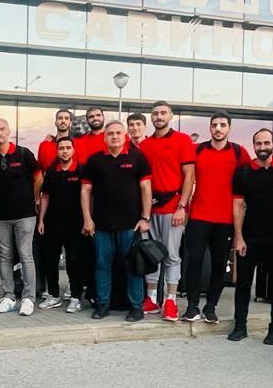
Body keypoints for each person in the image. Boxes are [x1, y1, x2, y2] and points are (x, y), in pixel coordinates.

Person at [182, 111, 251, 323]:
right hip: (198, 216)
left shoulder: (239, 152)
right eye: (214, 125)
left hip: (225, 220)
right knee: (193, 261)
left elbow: (255, 172)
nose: (218, 129)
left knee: (220, 265)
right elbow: (185, 175)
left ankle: (211, 306)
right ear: (210, 128)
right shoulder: (198, 150)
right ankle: (192, 306)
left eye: (222, 125)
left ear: (229, 128)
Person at [81, 121, 152, 322]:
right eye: (110, 133)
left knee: (132, 267)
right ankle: (102, 304)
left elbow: (146, 188)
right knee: (102, 265)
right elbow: (85, 191)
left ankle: (136, 307)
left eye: (118, 133)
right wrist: (87, 218)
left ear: (125, 135)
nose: (114, 136)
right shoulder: (95, 161)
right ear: (104, 137)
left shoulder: (137, 157)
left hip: (130, 225)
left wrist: (145, 217)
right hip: (101, 225)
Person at [230, 129, 273, 344]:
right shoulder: (244, 172)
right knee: (243, 284)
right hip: (250, 237)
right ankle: (240, 326)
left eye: (266, 143)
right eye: (258, 143)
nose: (262, 147)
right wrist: (238, 237)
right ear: (253, 145)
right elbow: (238, 206)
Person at [138, 101, 195, 322]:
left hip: (173, 207)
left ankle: (170, 301)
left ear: (170, 116)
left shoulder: (182, 140)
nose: (159, 116)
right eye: (155, 113)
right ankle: (151, 299)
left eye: (163, 113)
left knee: (171, 255)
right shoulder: (145, 145)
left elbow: (189, 175)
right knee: (150, 254)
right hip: (150, 208)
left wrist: (182, 206)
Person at [0, 118, 40, 316]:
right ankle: (8, 296)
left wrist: (31, 199)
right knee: (4, 256)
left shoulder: (24, 154)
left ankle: (28, 298)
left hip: (25, 216)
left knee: (25, 255)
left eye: (2, 129)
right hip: (0, 217)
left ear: (8, 132)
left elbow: (38, 178)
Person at [37, 136, 84, 313]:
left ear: (73, 150)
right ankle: (54, 295)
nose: (64, 151)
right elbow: (45, 196)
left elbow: (88, 195)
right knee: (50, 260)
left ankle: (75, 297)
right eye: (61, 148)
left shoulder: (81, 170)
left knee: (74, 261)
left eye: (68, 148)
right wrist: (41, 219)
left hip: (75, 224)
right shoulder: (51, 171)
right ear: (57, 151)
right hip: (52, 223)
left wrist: (88, 219)